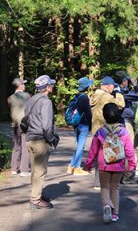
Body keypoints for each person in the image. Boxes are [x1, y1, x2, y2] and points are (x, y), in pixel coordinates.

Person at [85, 103, 136, 224]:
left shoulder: (100, 132)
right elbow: (129, 149)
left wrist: (89, 164)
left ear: (104, 116)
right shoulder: (123, 132)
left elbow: (93, 150)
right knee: (115, 188)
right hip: (119, 164)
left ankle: (107, 205)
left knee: (105, 188)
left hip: (104, 164)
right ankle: (115, 214)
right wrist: (132, 164)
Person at [25, 75, 59, 209]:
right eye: (51, 85)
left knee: (34, 170)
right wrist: (51, 139)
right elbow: (46, 125)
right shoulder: (46, 102)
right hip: (40, 140)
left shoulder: (31, 100)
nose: (52, 87)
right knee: (40, 171)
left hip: (30, 139)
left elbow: (25, 120)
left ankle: (36, 193)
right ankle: (36, 199)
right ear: (47, 88)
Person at [90, 76, 125, 189]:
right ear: (109, 86)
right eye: (113, 86)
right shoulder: (106, 96)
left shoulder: (94, 95)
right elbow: (120, 105)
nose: (114, 88)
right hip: (106, 129)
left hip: (96, 129)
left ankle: (97, 182)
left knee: (98, 155)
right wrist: (119, 94)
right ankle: (104, 182)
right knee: (108, 155)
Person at [115, 71, 138, 184]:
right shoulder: (122, 92)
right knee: (128, 147)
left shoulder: (115, 91)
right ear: (124, 81)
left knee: (119, 148)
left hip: (116, 122)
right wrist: (135, 85)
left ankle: (119, 174)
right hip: (125, 122)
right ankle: (127, 175)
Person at [67, 77, 93, 176]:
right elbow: (88, 113)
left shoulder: (76, 96)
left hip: (76, 124)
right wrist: (91, 123)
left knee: (78, 146)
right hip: (84, 124)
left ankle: (71, 166)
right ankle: (77, 168)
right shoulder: (84, 98)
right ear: (86, 87)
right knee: (81, 147)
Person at [7, 78, 31, 176]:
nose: (24, 86)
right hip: (24, 124)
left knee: (16, 146)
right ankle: (24, 170)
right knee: (25, 146)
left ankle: (14, 168)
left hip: (14, 124)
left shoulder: (10, 98)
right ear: (20, 85)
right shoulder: (27, 96)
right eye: (23, 84)